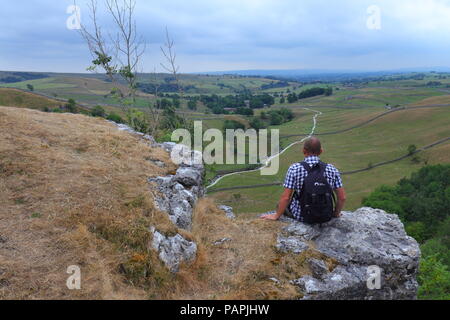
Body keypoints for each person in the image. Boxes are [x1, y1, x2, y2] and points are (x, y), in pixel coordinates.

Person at [261, 137, 346, 222]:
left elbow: (286, 198)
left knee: (280, 205)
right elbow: (342, 198)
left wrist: (276, 215)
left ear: (304, 151)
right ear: (321, 151)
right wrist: (335, 214)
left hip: (302, 216)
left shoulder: (294, 168)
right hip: (325, 216)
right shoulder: (332, 169)